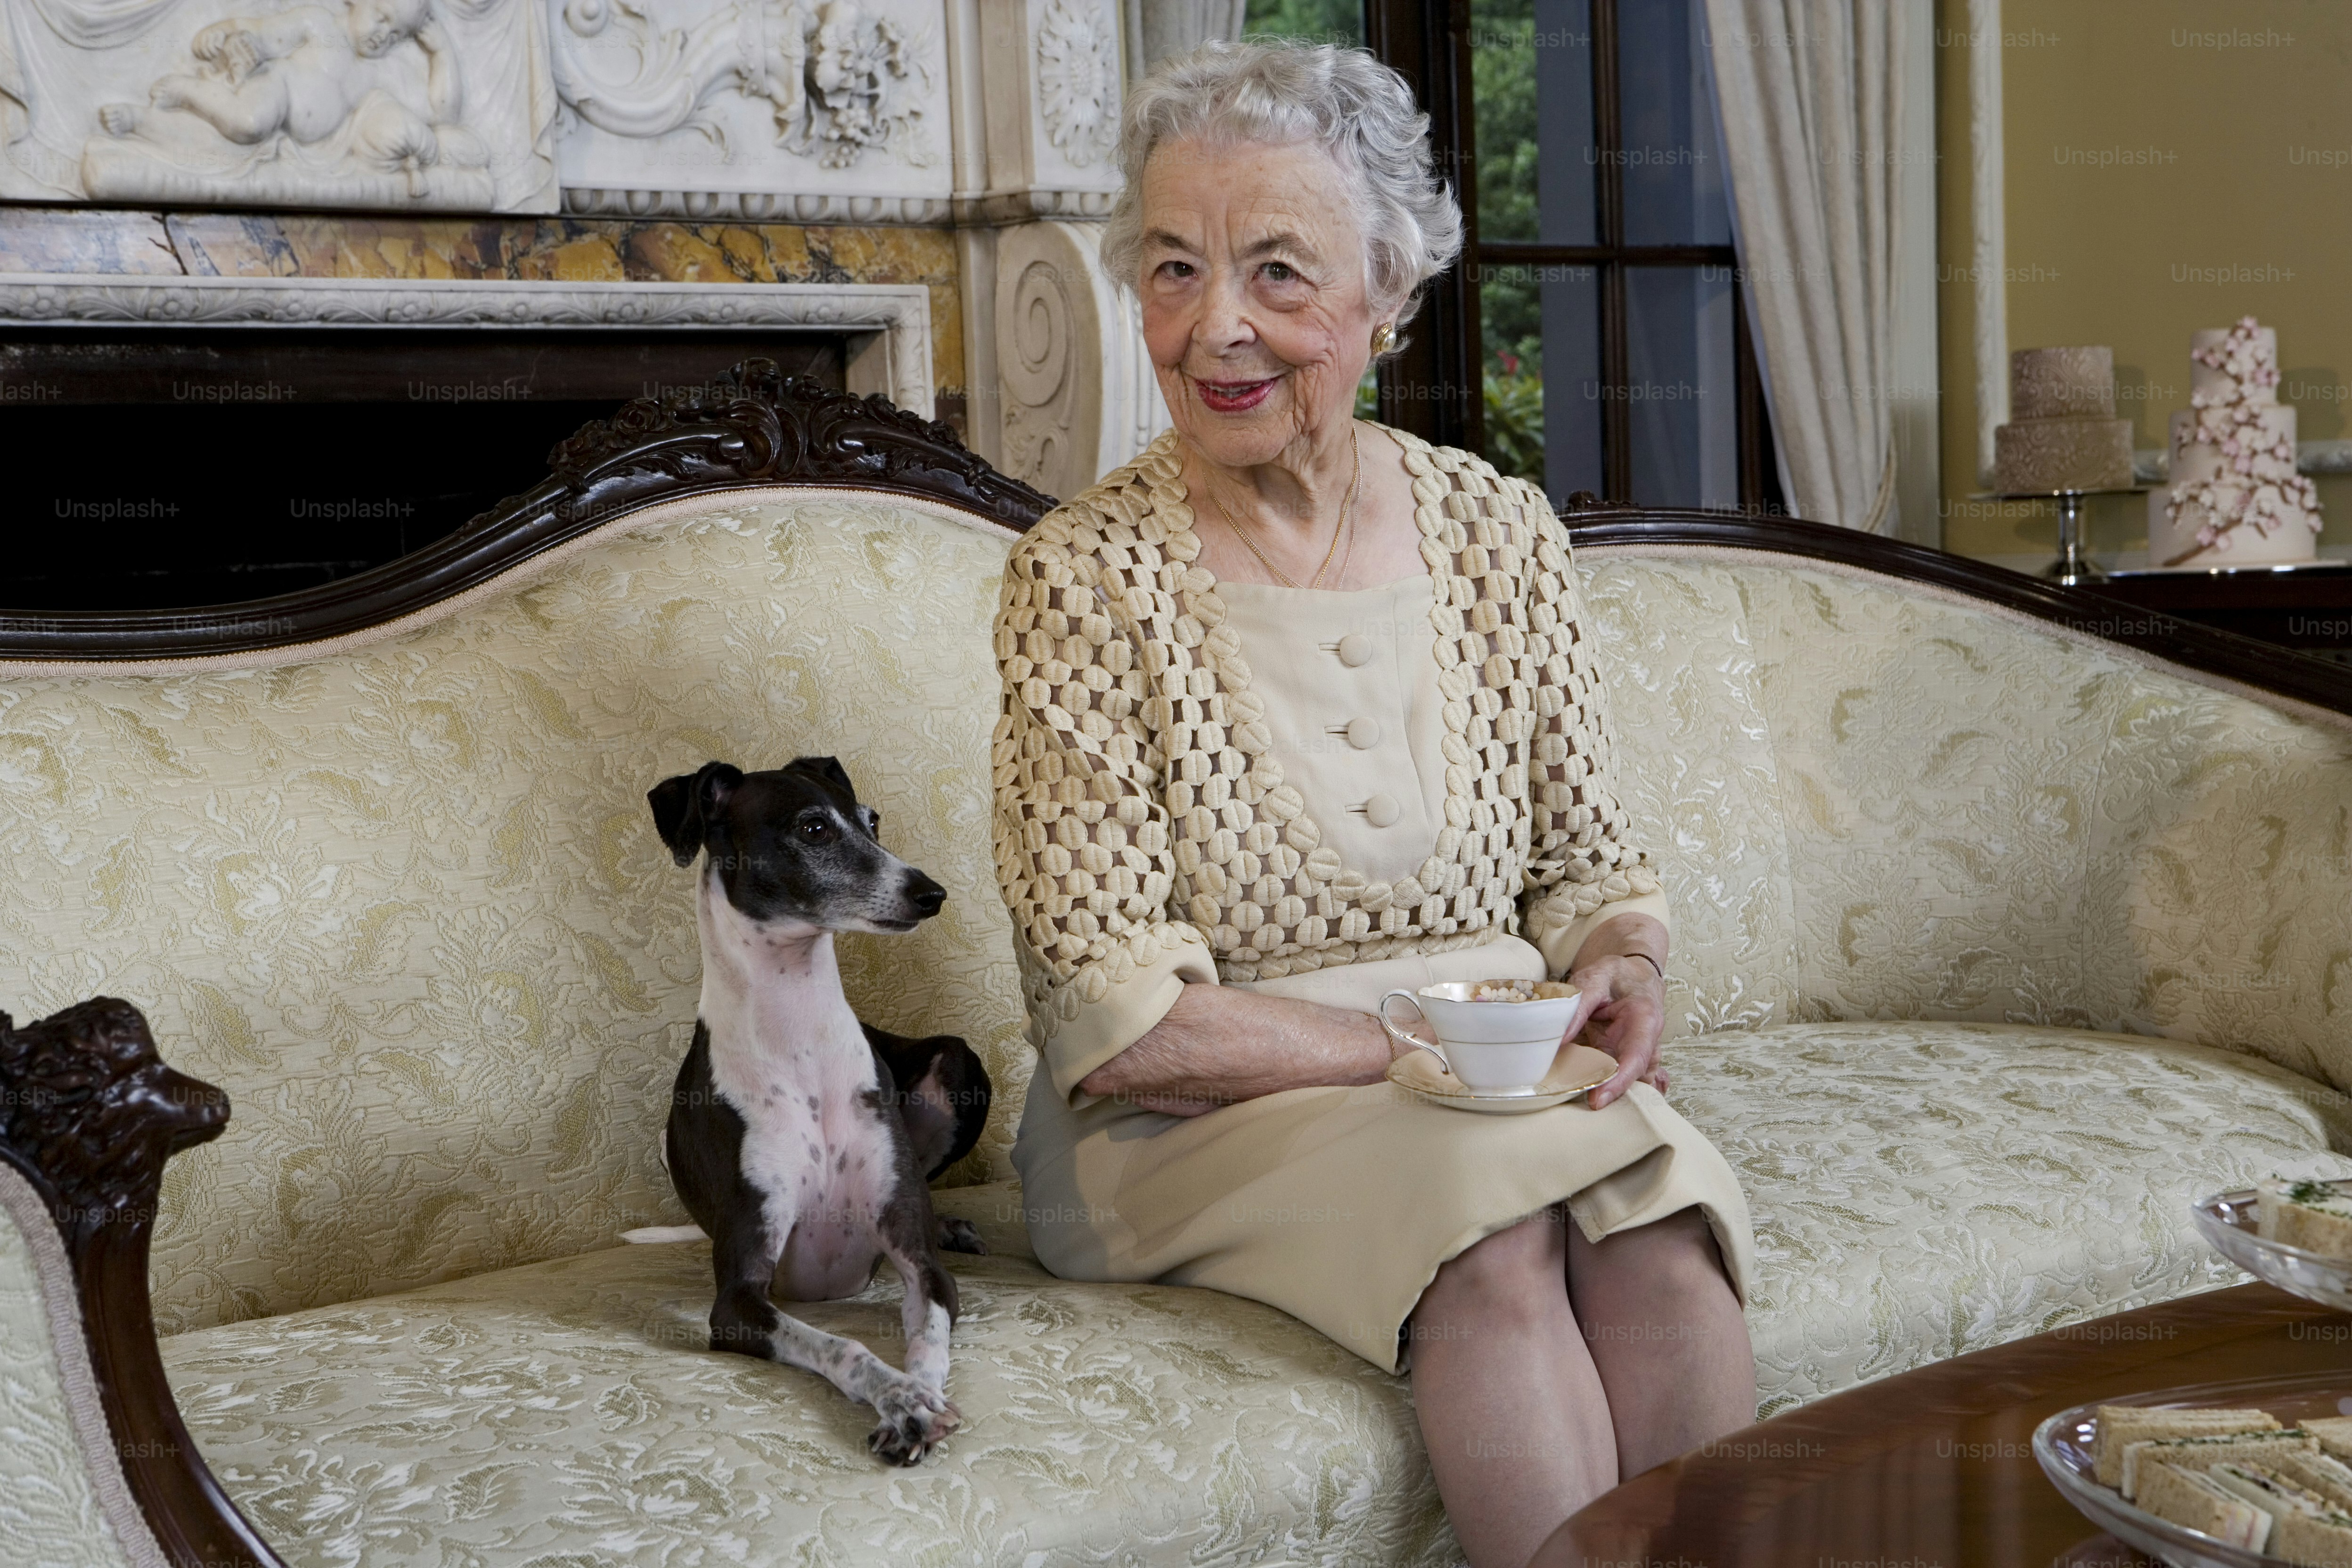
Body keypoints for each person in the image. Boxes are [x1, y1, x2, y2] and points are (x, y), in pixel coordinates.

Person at [990, 39, 1756, 1568]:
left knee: (1660, 1228)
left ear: (1390, 294)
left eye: (1280, 272)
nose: (1217, 329)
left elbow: (1589, 860)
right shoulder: (1080, 577)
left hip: (1493, 1079)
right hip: (1199, 1126)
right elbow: (1119, 1021)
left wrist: (1623, 962)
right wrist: (1414, 1048)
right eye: (1172, 269)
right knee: (1494, 1228)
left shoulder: (1496, 529)